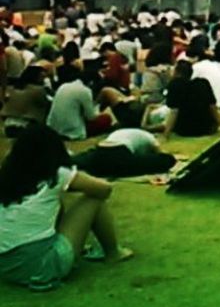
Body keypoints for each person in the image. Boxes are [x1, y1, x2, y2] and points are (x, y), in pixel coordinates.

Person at [0, 126, 132, 291]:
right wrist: (75, 179)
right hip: (43, 266)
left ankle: (70, 246)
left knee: (56, 203)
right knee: (93, 200)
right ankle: (113, 253)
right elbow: (104, 189)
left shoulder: (8, 175)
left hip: (6, 266)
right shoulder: (57, 174)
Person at [164, 60, 220, 137]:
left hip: (185, 130)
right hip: (208, 128)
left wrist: (165, 136)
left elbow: (174, 112)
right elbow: (214, 109)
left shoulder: (175, 85)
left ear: (176, 72)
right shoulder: (203, 82)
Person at [47, 66, 112, 140]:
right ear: (91, 82)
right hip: (72, 131)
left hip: (54, 129)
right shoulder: (85, 91)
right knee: (106, 118)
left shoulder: (63, 86)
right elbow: (91, 117)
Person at [0, 66, 50, 137]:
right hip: (27, 126)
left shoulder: (12, 88)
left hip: (8, 126)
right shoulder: (38, 90)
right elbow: (45, 103)